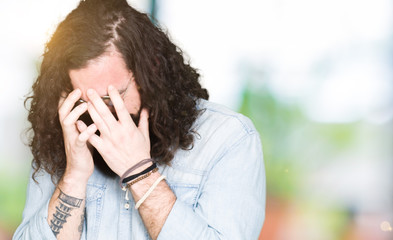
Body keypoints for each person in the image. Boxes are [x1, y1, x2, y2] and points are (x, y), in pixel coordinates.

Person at [13, 0, 266, 239]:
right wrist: (75, 175)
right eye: (85, 99)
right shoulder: (69, 135)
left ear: (152, 71)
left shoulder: (229, 139)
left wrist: (140, 171)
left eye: (114, 95)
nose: (101, 113)